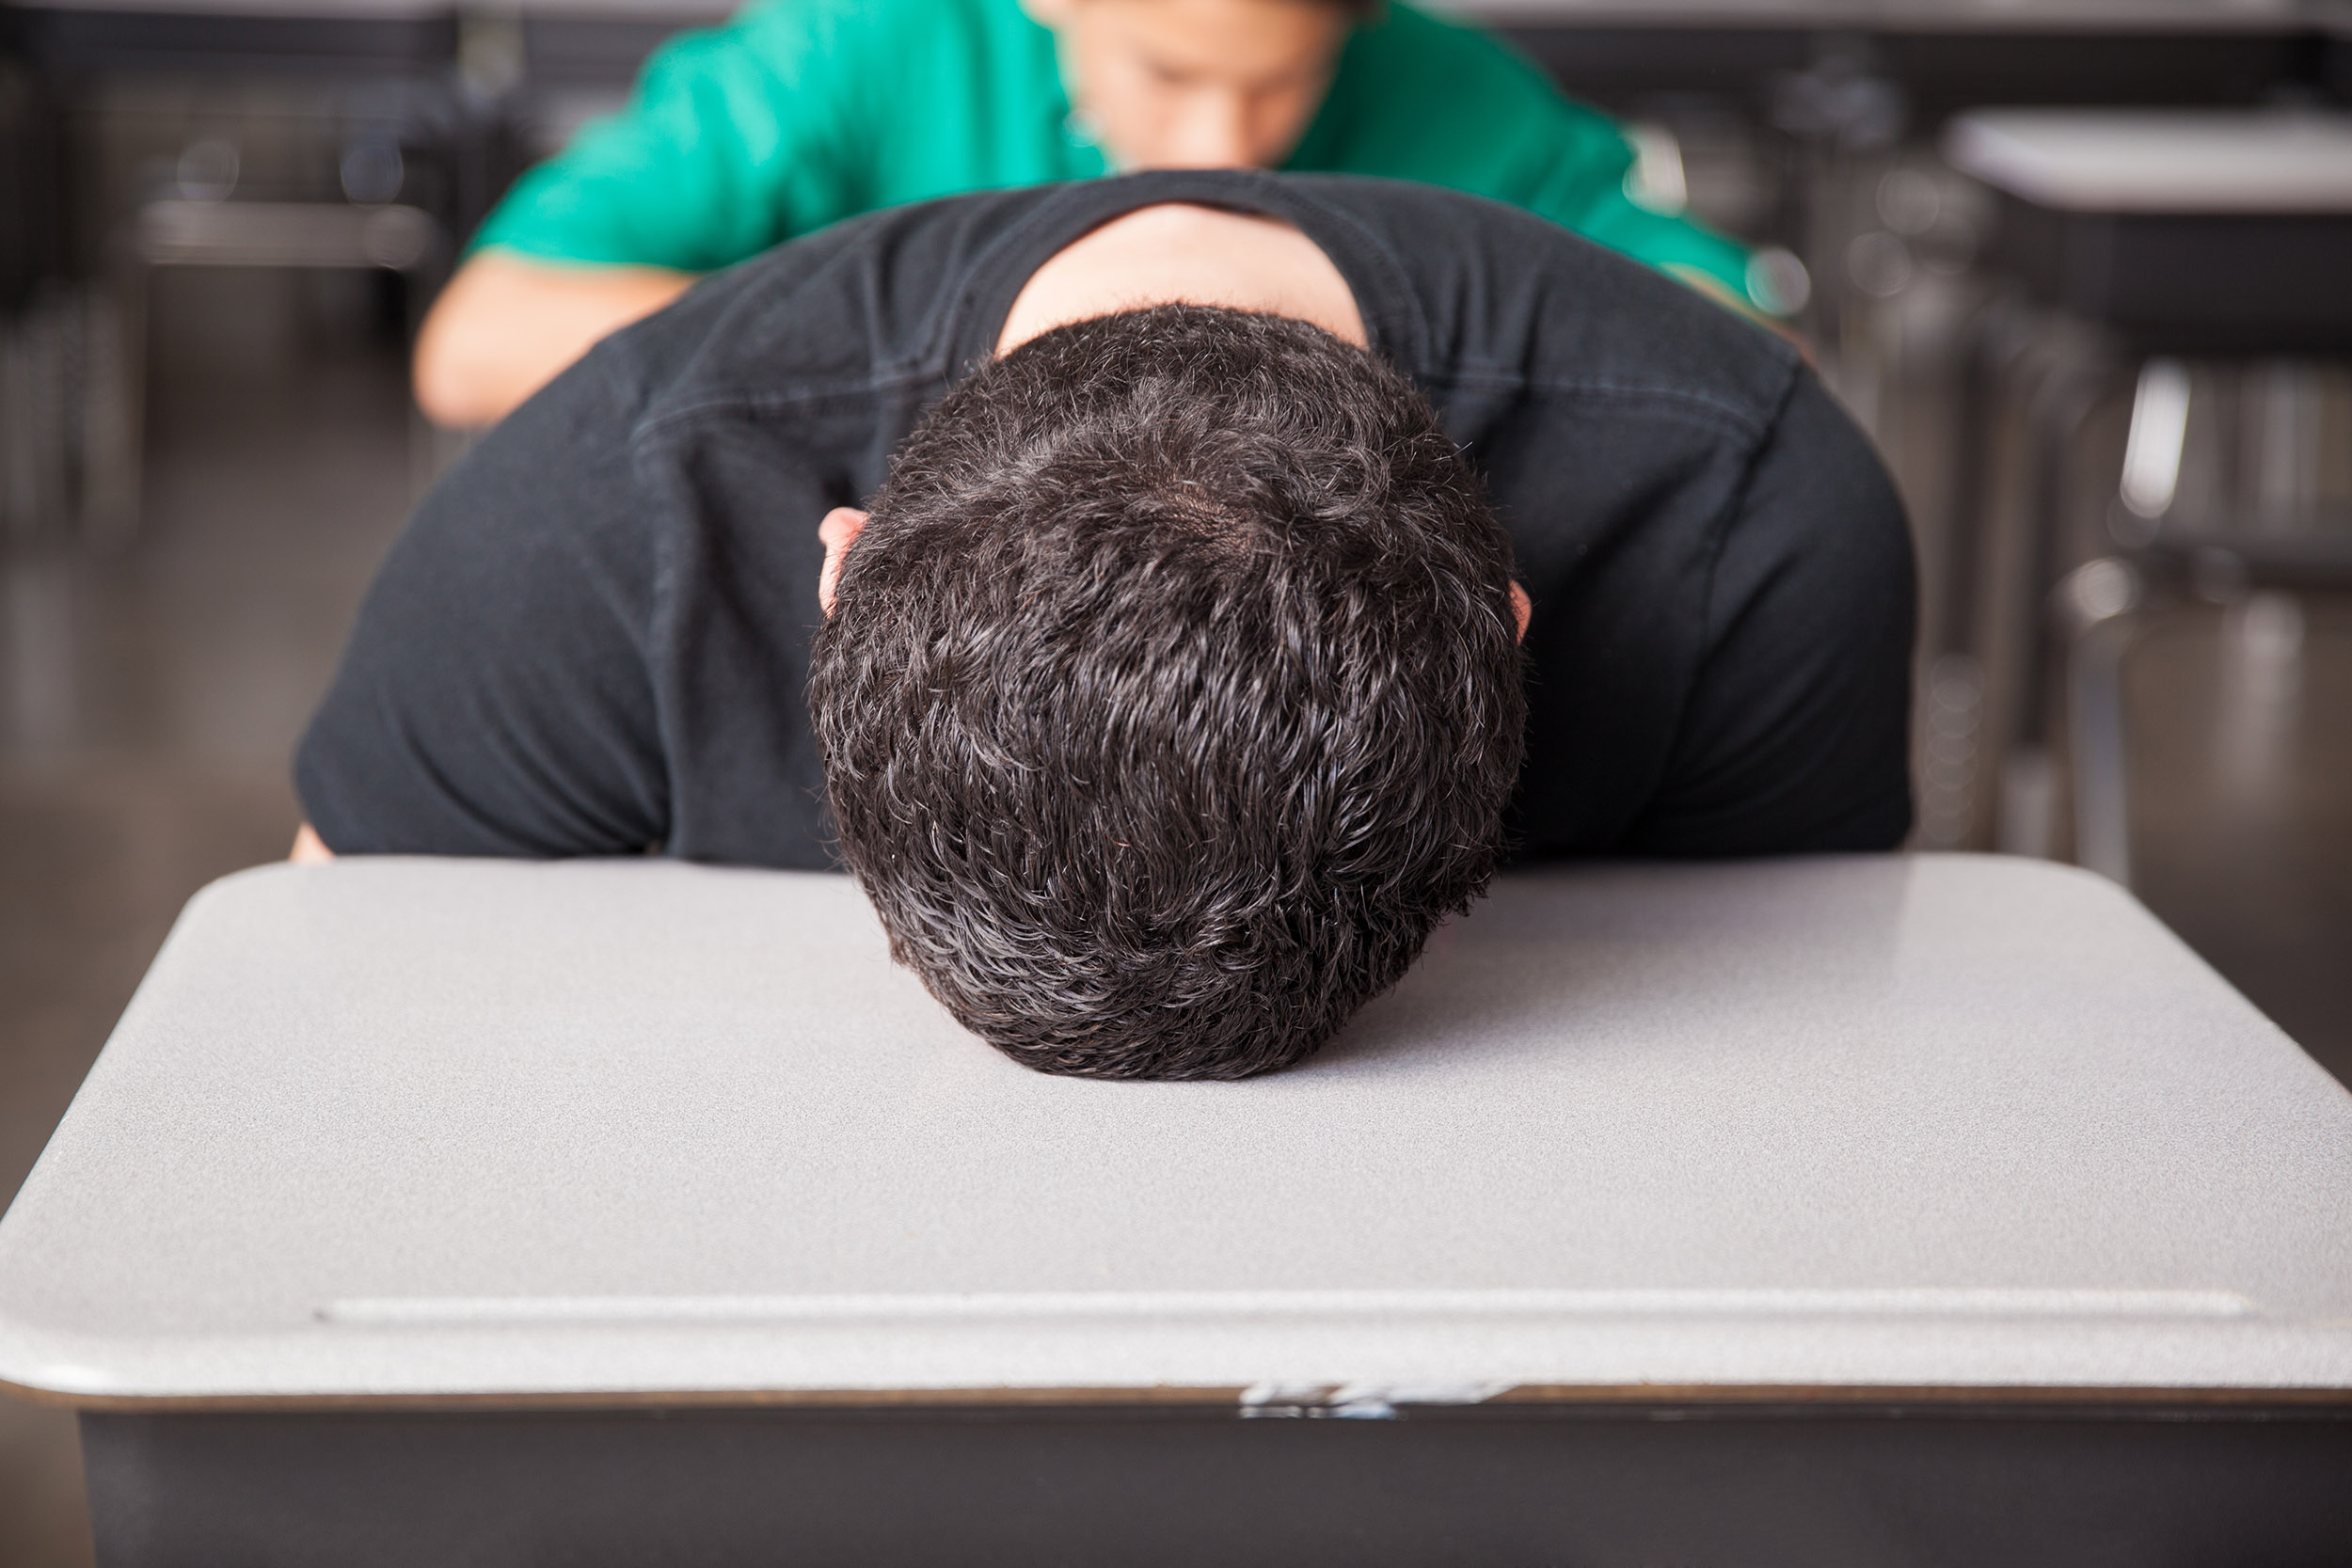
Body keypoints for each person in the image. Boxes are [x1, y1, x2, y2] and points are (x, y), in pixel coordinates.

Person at [300, 171, 1914, 1080]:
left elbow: (1797, 1088)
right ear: (840, 580)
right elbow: (318, 1048)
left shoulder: (1752, 527)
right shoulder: (585, 528)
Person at [410, 0, 1769, 428]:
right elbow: (477, 344)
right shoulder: (861, 47)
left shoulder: (1451, 95)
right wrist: (1012, 357)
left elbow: (1742, 352)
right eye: (1168, 74)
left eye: (1288, 82)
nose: (1221, 149)